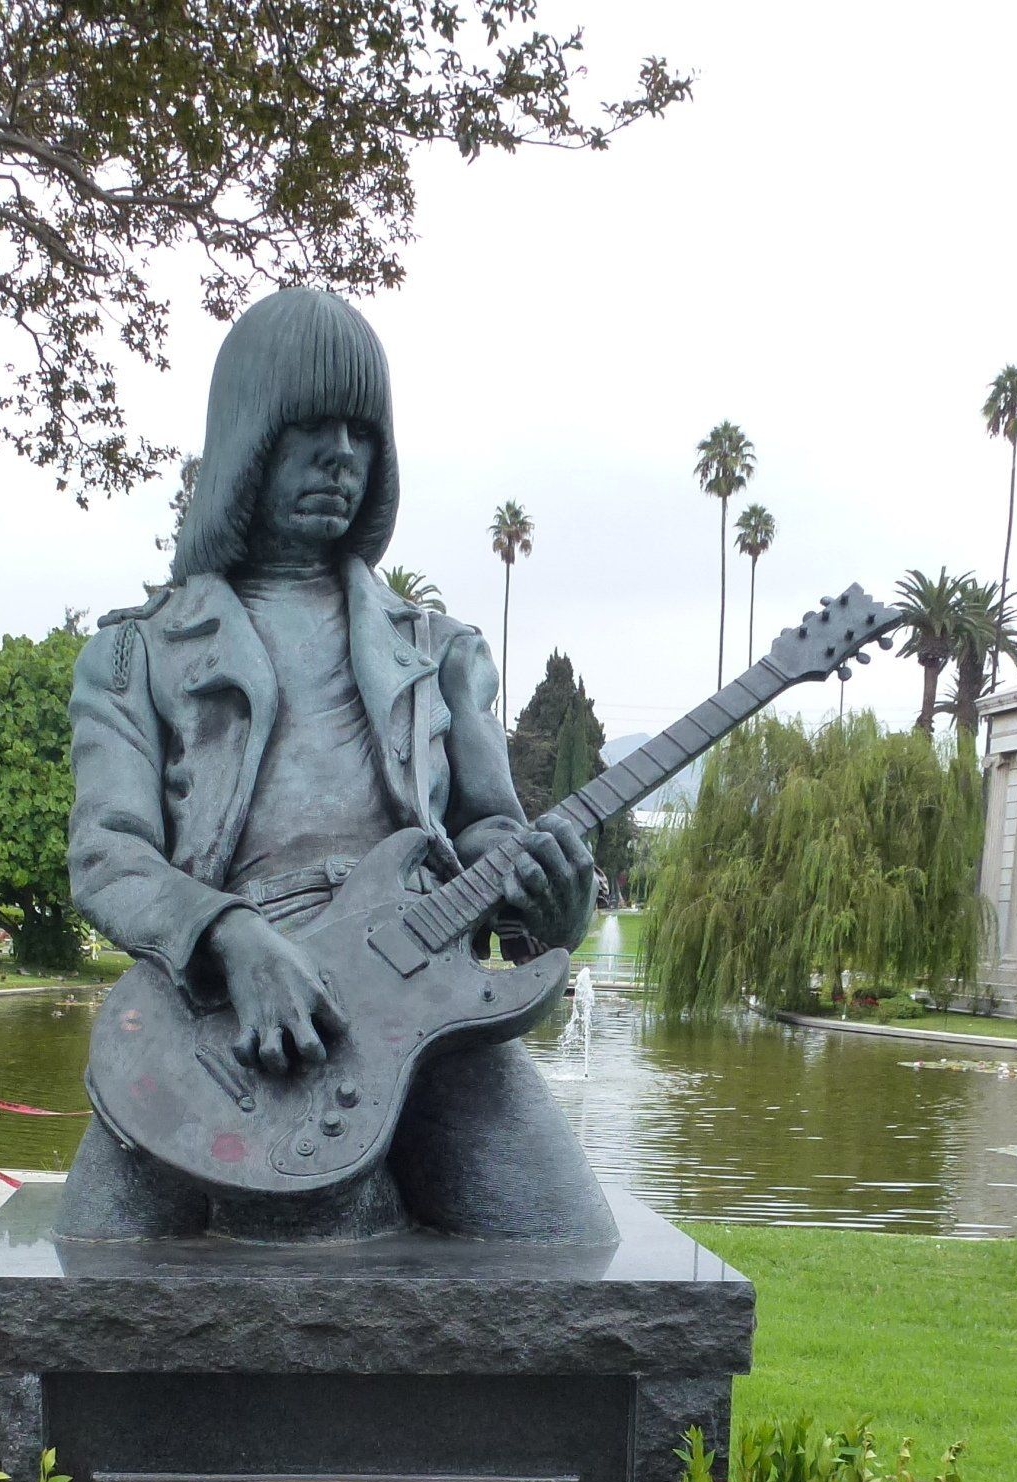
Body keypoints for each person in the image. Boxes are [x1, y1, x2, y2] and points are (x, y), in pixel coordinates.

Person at [60, 287, 607, 1242]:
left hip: (420, 1000)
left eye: (363, 430)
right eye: (310, 424)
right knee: (81, 1274)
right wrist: (230, 939)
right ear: (248, 437)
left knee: (568, 1241)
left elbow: (490, 828)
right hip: (208, 1025)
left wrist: (546, 907)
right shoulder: (134, 655)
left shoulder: (439, 650)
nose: (342, 456)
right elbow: (109, 856)